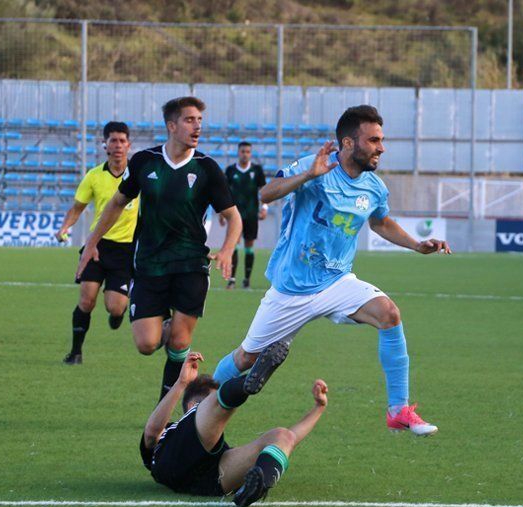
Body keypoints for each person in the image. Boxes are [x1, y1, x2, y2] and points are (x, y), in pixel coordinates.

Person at [211, 105, 450, 436]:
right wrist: (308, 175)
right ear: (348, 143)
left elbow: (380, 222)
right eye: (374, 140)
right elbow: (263, 194)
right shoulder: (315, 165)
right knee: (246, 359)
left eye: (382, 140)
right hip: (291, 289)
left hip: (337, 283)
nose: (381, 147)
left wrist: (416, 244)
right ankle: (199, 398)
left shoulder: (374, 186)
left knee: (389, 314)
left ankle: (398, 410)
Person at [77, 96, 242, 399]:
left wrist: (228, 249)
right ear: (172, 125)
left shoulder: (207, 168)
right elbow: (116, 204)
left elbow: (233, 217)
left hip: (190, 265)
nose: (197, 127)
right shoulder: (144, 162)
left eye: (200, 121)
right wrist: (92, 242)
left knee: (179, 342)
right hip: (149, 265)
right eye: (190, 120)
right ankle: (168, 322)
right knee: (146, 344)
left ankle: (163, 409)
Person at [140, 341, 327, 507]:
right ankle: (246, 382)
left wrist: (318, 408)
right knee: (215, 403)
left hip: (210, 479)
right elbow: (151, 433)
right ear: (191, 405)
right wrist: (181, 383)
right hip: (174, 463)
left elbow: (291, 439)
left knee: (282, 436)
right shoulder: (172, 433)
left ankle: (255, 488)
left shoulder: (215, 444)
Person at [56, 121, 137, 365]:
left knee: (115, 308)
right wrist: (65, 227)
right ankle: (76, 352)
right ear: (105, 145)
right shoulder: (93, 176)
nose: (118, 145)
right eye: (113, 140)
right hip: (97, 246)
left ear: (129, 145)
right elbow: (77, 208)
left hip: (126, 250)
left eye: (123, 141)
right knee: (86, 300)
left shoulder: (139, 176)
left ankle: (119, 312)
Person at [222, 141, 268, 289]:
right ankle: (232, 279)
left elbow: (264, 190)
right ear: (238, 152)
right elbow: (223, 193)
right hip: (234, 216)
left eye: (248, 152)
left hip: (251, 214)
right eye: (243, 151)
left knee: (249, 246)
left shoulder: (257, 170)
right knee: (233, 245)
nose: (245, 154)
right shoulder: (230, 171)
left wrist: (265, 207)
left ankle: (246, 280)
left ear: (251, 153)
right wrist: (221, 213)